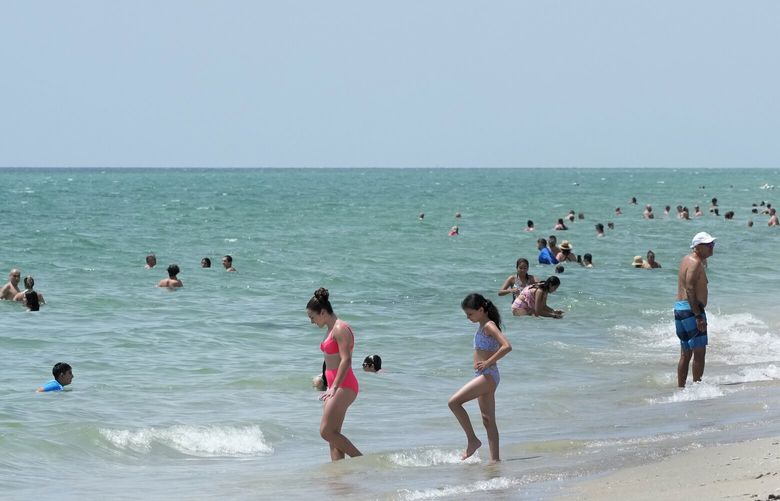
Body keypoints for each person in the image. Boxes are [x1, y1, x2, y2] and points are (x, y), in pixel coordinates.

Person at [448, 294, 511, 462]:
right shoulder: (482, 325)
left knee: (453, 403)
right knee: (488, 420)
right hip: (484, 375)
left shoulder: (489, 326)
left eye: (470, 314)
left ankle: (472, 440)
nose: (468, 318)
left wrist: (488, 362)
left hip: (488, 375)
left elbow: (507, 346)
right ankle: (495, 461)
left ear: (481, 310)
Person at [306, 288, 362, 461]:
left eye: (312, 317)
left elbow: (346, 360)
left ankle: (360, 460)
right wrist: (326, 381)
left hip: (344, 386)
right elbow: (331, 361)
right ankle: (339, 477)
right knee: (333, 437)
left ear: (323, 312)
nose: (312, 322)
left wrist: (335, 387)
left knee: (326, 432)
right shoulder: (330, 328)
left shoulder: (341, 328)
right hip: (334, 386)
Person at [675, 232, 716, 388]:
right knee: (699, 353)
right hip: (691, 310)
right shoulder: (695, 262)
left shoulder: (687, 259)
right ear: (698, 247)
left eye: (713, 244)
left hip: (680, 309)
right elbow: (690, 288)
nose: (712, 247)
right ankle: (697, 390)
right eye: (709, 245)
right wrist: (698, 316)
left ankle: (681, 389)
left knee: (685, 353)